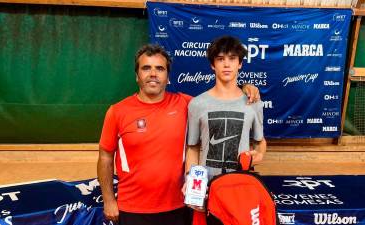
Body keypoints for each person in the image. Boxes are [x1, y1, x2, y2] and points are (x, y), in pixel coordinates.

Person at [97, 44, 260, 225]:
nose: (153, 74)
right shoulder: (117, 111)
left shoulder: (186, 104)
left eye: (159, 68)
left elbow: (219, 100)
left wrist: (244, 88)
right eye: (146, 68)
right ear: (137, 76)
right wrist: (109, 200)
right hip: (133, 209)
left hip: (179, 207)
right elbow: (105, 157)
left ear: (167, 77)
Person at [185, 35, 267, 195]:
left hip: (241, 185)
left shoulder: (253, 102)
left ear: (240, 63)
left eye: (232, 58)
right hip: (208, 186)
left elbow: (260, 142)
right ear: (212, 65)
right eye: (220, 59)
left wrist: (259, 155)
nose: (227, 64)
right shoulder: (197, 104)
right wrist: (192, 183)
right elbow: (193, 148)